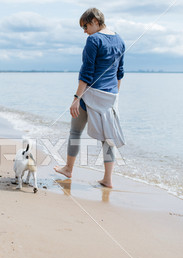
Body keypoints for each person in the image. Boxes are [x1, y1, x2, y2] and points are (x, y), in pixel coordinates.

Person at [54, 7, 125, 188]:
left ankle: (68, 169)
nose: (84, 31)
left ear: (94, 21)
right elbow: (120, 73)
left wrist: (76, 98)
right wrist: (114, 97)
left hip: (91, 95)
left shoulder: (94, 40)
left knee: (75, 131)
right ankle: (107, 179)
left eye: (85, 26)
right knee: (108, 139)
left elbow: (86, 72)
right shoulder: (120, 40)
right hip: (110, 96)